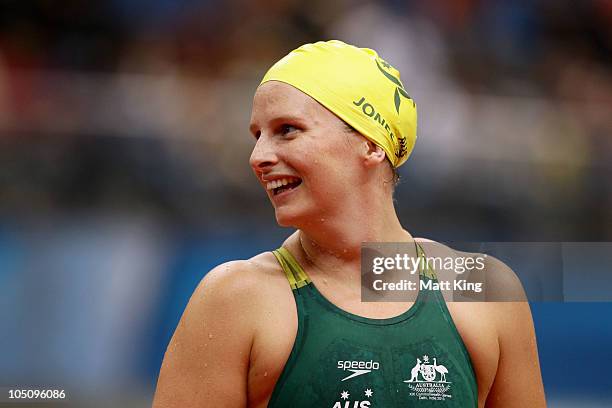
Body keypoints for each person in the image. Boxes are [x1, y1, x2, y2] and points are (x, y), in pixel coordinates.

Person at [153, 40, 546, 407]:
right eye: (258, 135)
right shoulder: (235, 298)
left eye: (287, 130)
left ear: (372, 144)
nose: (258, 157)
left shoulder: (483, 290)